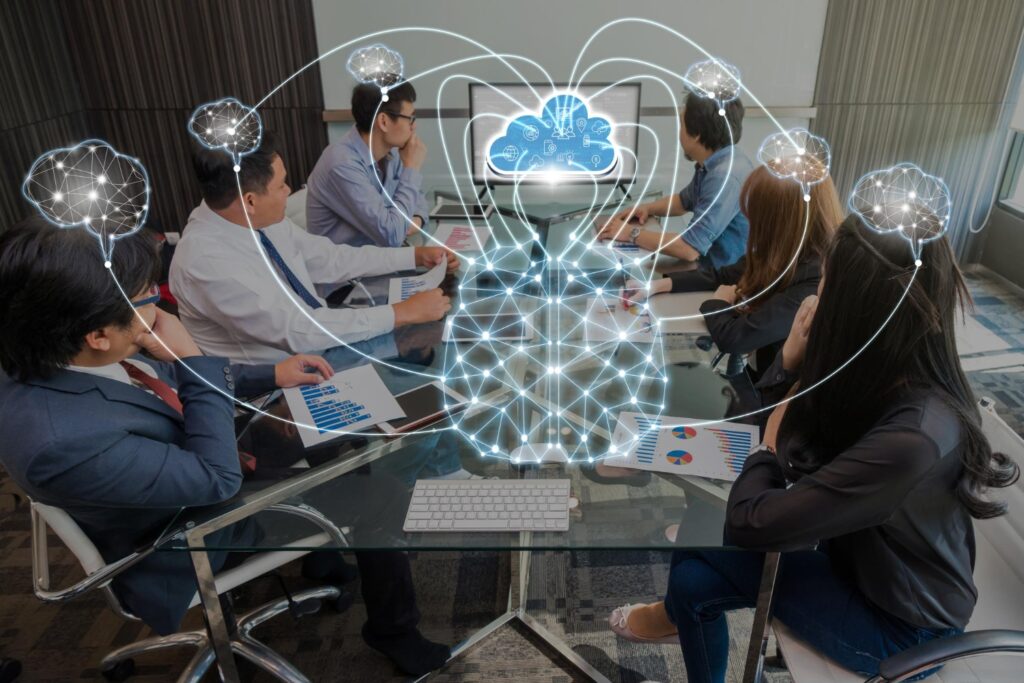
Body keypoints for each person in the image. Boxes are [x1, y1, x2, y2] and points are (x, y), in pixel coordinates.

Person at [0, 220, 451, 675]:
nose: (159, 309)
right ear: (97, 334)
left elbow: (162, 383)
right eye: (148, 299)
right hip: (191, 530)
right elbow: (217, 481)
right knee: (386, 493)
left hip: (178, 451)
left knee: (331, 429)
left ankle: (324, 560)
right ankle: (394, 631)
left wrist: (271, 375)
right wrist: (192, 356)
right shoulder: (62, 440)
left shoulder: (58, 346)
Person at [608, 215, 1019, 682]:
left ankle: (670, 616)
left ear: (854, 309)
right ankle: (673, 614)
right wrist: (788, 370)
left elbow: (752, 521)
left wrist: (768, 441)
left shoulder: (914, 434)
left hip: (899, 627)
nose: (813, 301)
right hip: (857, 559)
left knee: (699, 556)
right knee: (693, 571)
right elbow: (798, 454)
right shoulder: (888, 372)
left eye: (824, 289)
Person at [170, 130, 457, 365]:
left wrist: (412, 255)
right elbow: (300, 330)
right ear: (250, 201)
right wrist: (401, 313)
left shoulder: (253, 218)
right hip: (277, 389)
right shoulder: (206, 261)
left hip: (323, 345)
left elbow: (330, 258)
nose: (289, 191)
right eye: (281, 185)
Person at [627, 165, 843, 372]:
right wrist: (659, 285)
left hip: (774, 391)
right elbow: (723, 275)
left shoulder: (815, 278)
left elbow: (736, 338)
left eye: (757, 218)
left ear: (781, 222)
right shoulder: (786, 251)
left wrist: (718, 302)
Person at [597, 90, 752, 268]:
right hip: (711, 268)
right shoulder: (718, 161)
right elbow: (683, 202)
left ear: (697, 134)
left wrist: (630, 233)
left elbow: (689, 248)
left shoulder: (724, 177)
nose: (679, 133)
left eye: (682, 125)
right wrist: (647, 208)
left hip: (724, 279)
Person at [306, 81, 430, 249]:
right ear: (384, 121)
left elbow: (418, 199)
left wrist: (415, 219)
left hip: (381, 259)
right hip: (348, 271)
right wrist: (412, 168)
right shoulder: (342, 163)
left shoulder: (392, 153)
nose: (414, 127)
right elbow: (391, 235)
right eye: (410, 119)